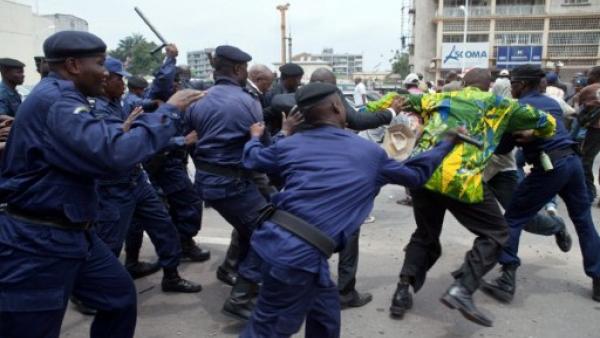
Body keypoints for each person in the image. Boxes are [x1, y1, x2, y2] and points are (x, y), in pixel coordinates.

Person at [0, 30, 202, 338]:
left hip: (74, 232)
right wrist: (170, 112)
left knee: (119, 298)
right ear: (73, 65)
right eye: (99, 63)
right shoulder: (58, 100)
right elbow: (113, 153)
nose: (106, 72)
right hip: (39, 241)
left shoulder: (65, 96)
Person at [239, 82, 457, 338]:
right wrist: (445, 144)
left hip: (281, 244)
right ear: (336, 106)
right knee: (267, 330)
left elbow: (253, 159)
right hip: (295, 257)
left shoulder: (289, 144)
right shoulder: (368, 152)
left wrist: (257, 138)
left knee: (326, 316)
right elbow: (416, 174)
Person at [389, 68, 557, 327]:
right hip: (461, 179)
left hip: (424, 174)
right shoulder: (502, 105)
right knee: (496, 233)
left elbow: (399, 100)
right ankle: (463, 289)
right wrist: (532, 133)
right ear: (488, 86)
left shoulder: (438, 98)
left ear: (464, 83)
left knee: (425, 235)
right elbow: (548, 123)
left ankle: (402, 292)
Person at [481, 65, 600, 304]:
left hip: (550, 168)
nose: (511, 87)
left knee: (513, 218)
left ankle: (507, 278)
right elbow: (557, 130)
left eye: (513, 83)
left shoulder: (517, 109)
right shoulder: (551, 103)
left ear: (522, 85)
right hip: (572, 162)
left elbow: (503, 148)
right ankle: (599, 280)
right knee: (584, 220)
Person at [92, 56, 202, 294]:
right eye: (119, 78)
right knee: (109, 241)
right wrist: (182, 139)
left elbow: (151, 103)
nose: (124, 83)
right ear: (105, 80)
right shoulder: (98, 110)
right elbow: (127, 143)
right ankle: (92, 292)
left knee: (163, 226)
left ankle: (170, 276)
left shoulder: (117, 103)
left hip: (135, 180)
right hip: (113, 185)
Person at [187, 45, 273, 320]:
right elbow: (264, 149)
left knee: (250, 226)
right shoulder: (248, 102)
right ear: (238, 69)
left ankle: (232, 268)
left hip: (207, 181)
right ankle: (241, 295)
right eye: (245, 69)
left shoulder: (198, 98)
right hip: (233, 184)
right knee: (269, 230)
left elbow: (186, 140)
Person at [125, 44, 211, 268]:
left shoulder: (179, 97)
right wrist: (169, 59)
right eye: (176, 79)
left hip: (174, 161)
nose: (178, 84)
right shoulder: (157, 98)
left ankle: (182, 244)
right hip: (160, 162)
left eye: (181, 80)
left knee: (179, 206)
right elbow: (155, 139)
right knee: (183, 204)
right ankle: (180, 246)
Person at [217, 63, 278, 287]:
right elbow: (259, 133)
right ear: (258, 79)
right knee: (260, 222)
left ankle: (232, 267)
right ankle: (240, 273)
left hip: (247, 164)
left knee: (249, 222)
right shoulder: (249, 97)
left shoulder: (245, 95)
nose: (269, 89)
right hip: (250, 166)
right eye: (268, 84)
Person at [264, 63, 304, 135]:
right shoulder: (272, 93)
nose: (299, 82)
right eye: (297, 79)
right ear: (289, 79)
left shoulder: (294, 90)